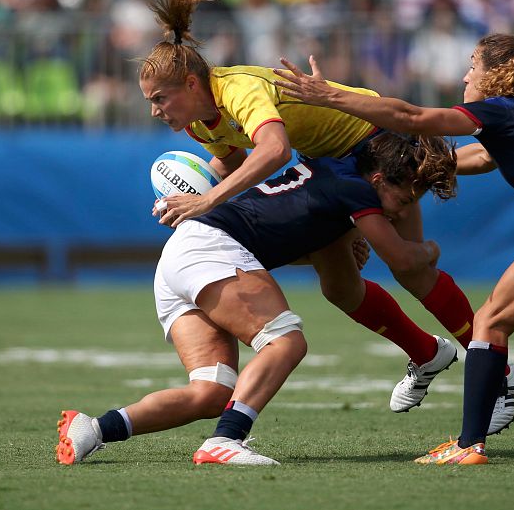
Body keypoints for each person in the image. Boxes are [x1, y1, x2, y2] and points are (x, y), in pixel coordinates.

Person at [136, 0, 514, 425]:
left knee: (410, 266)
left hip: (372, 142)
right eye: (149, 100)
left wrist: (205, 204)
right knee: (340, 286)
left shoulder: (237, 88)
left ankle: (499, 372)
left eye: (159, 98)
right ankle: (427, 353)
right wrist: (183, 196)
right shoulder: (198, 122)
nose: (154, 110)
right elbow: (232, 162)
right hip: (332, 165)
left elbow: (274, 150)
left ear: (190, 83)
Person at [273, 32, 514, 464]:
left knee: (489, 322)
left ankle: (467, 444)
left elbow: (412, 116)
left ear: (496, 76)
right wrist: (413, 166)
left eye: (473, 65)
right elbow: (477, 159)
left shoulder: (503, 109)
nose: (465, 74)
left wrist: (331, 96)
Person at [57, 131, 457, 466]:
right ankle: (225, 441)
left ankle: (93, 429)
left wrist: (336, 242)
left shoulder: (331, 171)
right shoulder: (357, 190)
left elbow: (283, 233)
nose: (403, 209)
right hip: (211, 250)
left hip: (183, 257)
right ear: (379, 178)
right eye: (404, 199)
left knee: (211, 392)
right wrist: (432, 250)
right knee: (285, 342)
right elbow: (402, 257)